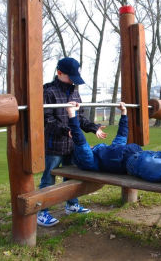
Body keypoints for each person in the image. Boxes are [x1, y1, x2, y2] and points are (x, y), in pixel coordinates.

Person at [37, 57, 108, 227]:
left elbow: (80, 117)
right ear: (59, 73)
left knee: (71, 175)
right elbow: (46, 120)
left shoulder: (75, 92)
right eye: (70, 77)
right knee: (48, 178)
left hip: (71, 145)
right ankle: (41, 211)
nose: (72, 82)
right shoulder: (48, 91)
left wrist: (94, 128)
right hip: (53, 146)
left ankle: (71, 204)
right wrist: (65, 130)